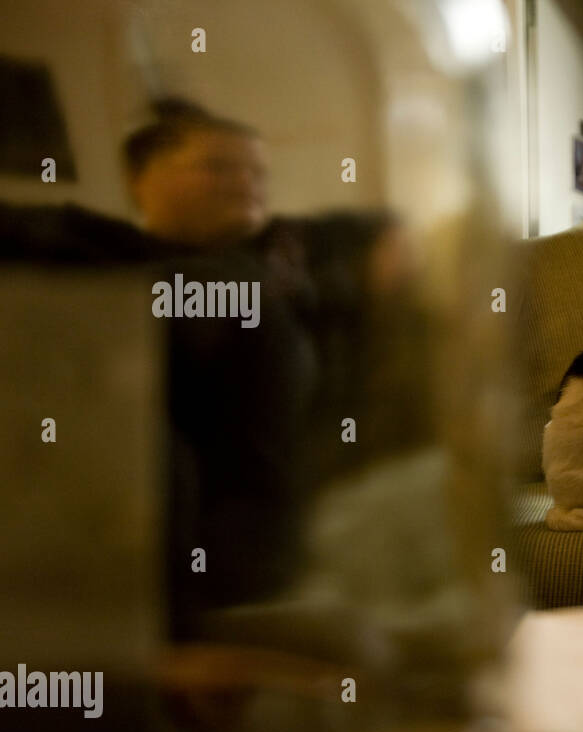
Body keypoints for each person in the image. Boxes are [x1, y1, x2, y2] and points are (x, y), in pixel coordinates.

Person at [1, 98, 422, 636]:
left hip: (318, 510)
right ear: (140, 178)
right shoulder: (95, 243)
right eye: (218, 167)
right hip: (171, 518)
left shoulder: (292, 245)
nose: (245, 182)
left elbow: (397, 231)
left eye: (257, 172)